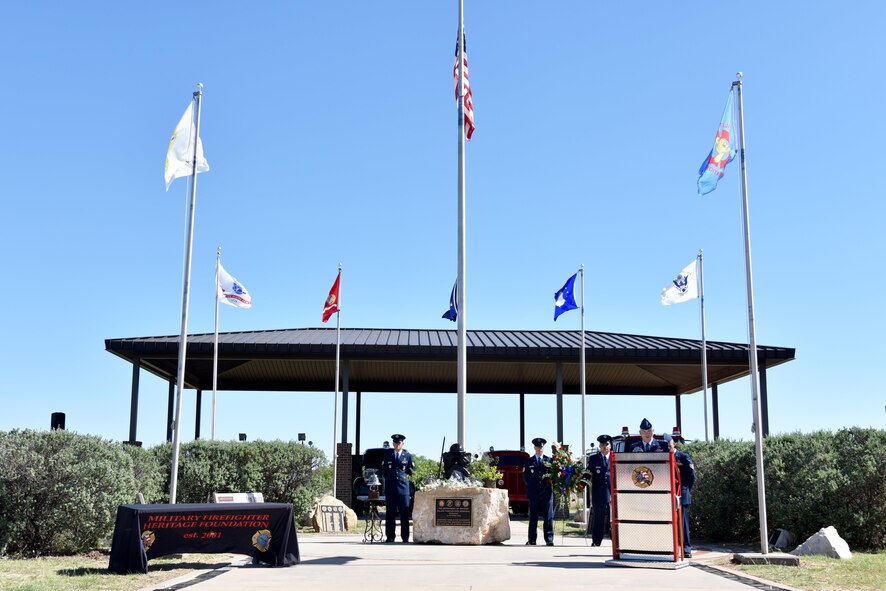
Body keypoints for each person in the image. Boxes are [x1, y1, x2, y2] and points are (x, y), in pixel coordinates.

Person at [382, 433, 415, 543]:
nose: (397, 445)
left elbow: (412, 472)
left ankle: (405, 537)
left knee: (404, 514)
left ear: (402, 444)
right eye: (395, 443)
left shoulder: (408, 456)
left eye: (399, 443)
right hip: (391, 489)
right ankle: (390, 536)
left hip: (403, 490)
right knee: (390, 514)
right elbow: (384, 471)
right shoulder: (388, 455)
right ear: (393, 444)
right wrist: (389, 479)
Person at [668, 435, 696, 557]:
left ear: (673, 443)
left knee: (683, 523)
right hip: (667, 495)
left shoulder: (682, 457)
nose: (668, 445)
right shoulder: (663, 457)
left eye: (669, 443)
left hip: (681, 494)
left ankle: (686, 549)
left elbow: (691, 476)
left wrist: (685, 489)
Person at [523, 437, 554, 546]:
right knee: (533, 517)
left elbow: (553, 476)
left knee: (548, 517)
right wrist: (533, 487)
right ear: (534, 447)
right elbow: (526, 477)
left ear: (543, 448)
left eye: (541, 447)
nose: (539, 448)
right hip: (534, 493)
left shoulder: (550, 461)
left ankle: (549, 539)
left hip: (546, 493)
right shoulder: (529, 461)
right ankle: (532, 539)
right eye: (537, 447)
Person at [585, 434, 612, 546]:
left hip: (613, 493)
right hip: (598, 493)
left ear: (610, 445)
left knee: (614, 519)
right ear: (599, 446)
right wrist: (582, 483)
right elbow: (587, 473)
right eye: (602, 444)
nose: (604, 446)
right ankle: (596, 541)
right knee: (598, 518)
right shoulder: (594, 459)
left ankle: (616, 541)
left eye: (606, 444)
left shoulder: (616, 457)